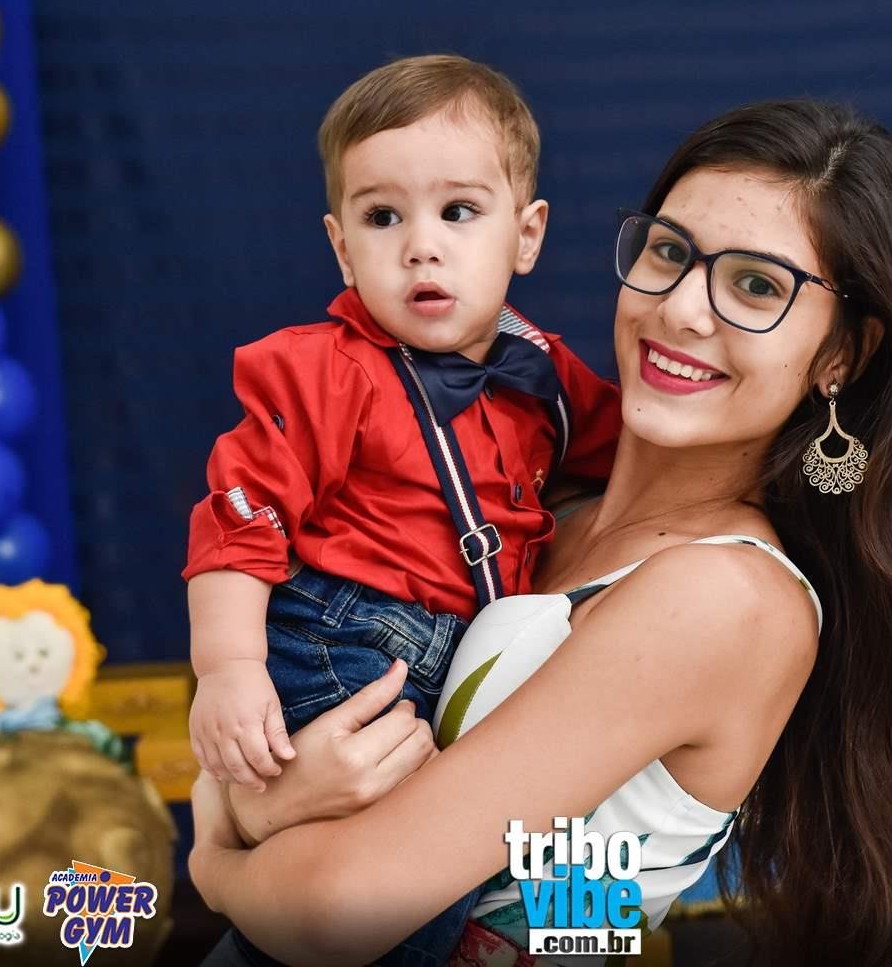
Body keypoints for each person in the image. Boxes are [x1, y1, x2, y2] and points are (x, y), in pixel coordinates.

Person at [190, 98, 892, 967]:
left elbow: (338, 908)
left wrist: (218, 850)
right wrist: (261, 793)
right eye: (669, 253)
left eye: (757, 286)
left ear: (842, 354)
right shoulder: (522, 501)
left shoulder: (729, 598)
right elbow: (281, 644)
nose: (683, 310)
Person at [182, 54, 621, 966]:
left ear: (526, 234)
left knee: (419, 882)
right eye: (383, 218)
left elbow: (631, 452)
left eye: (459, 212)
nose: (421, 245)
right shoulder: (324, 370)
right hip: (341, 649)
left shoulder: (544, 372)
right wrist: (228, 668)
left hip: (452, 661)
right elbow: (241, 512)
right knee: (390, 901)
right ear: (343, 248)